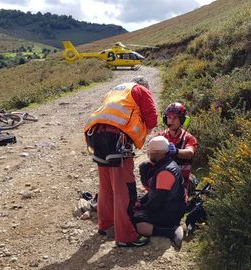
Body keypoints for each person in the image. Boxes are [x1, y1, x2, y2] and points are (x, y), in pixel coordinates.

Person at [84, 76, 157, 247]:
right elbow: (152, 119)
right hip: (117, 140)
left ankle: (106, 225)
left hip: (95, 135)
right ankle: (126, 236)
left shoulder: (117, 90)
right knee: (124, 189)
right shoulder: (141, 90)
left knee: (106, 185)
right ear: (145, 87)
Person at [134, 136, 186, 248]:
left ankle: (170, 231)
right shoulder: (166, 165)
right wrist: (141, 201)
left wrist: (142, 208)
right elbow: (155, 193)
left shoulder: (166, 172)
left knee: (137, 221)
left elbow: (158, 200)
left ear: (154, 152)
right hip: (171, 207)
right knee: (136, 210)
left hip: (170, 212)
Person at [159, 102, 198, 193]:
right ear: (165, 120)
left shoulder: (188, 138)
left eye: (175, 117)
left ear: (182, 120)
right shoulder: (160, 136)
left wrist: (176, 151)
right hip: (162, 177)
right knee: (144, 167)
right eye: (169, 118)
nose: (171, 121)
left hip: (181, 179)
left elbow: (190, 153)